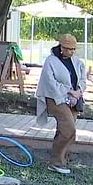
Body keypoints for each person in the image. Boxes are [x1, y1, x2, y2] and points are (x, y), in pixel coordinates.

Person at [35, 33, 87, 175]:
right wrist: (69, 92)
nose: (71, 52)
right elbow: (50, 83)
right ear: (61, 47)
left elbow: (82, 79)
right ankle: (56, 162)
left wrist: (78, 92)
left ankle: (62, 157)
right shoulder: (50, 61)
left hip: (74, 100)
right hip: (55, 99)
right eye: (68, 49)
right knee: (69, 129)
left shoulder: (77, 61)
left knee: (65, 130)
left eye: (73, 49)